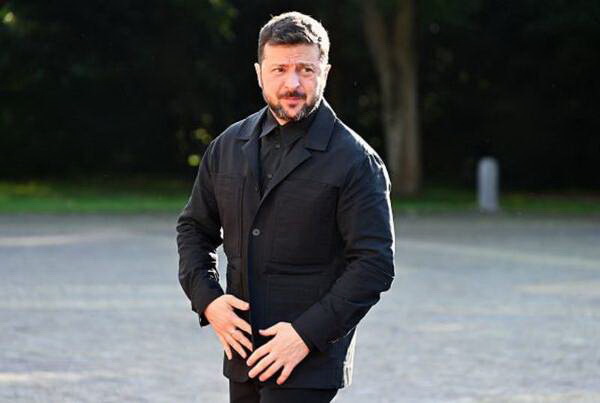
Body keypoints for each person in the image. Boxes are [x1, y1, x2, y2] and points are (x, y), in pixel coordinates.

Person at [176, 11, 395, 403]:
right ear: (259, 73)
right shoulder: (227, 146)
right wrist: (208, 300)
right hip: (242, 354)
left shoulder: (356, 161)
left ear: (325, 72)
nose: (292, 83)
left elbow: (373, 265)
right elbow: (194, 228)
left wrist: (305, 336)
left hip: (309, 360)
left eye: (305, 70)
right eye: (279, 69)